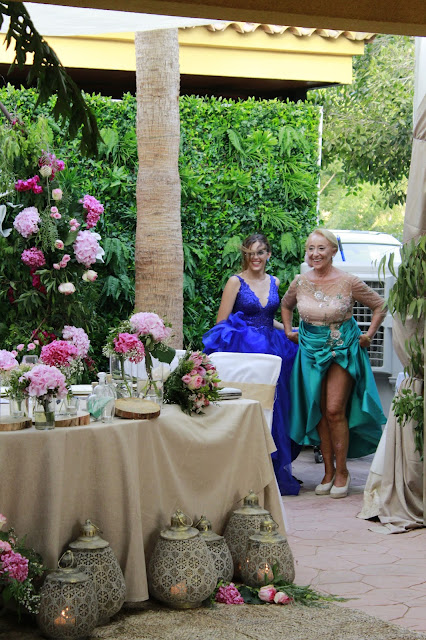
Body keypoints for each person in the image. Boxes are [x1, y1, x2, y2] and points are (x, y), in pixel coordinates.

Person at [281, 228, 387, 498]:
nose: (315, 254)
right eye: (310, 248)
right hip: (310, 350)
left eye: (321, 248)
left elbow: (380, 305)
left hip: (342, 348)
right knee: (318, 410)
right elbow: (286, 305)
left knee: (334, 409)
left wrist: (369, 335)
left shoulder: (348, 281)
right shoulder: (300, 281)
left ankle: (342, 472)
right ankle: (327, 472)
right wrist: (289, 331)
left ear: (333, 251)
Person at [202, 233, 300, 495]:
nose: (255, 258)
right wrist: (243, 336)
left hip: (273, 349)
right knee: (250, 404)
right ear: (245, 255)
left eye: (260, 252)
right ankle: (243, 467)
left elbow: (268, 319)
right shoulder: (235, 282)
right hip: (245, 349)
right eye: (251, 253)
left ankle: (272, 468)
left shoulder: (275, 281)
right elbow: (222, 321)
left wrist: (289, 331)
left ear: (268, 254)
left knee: (276, 405)